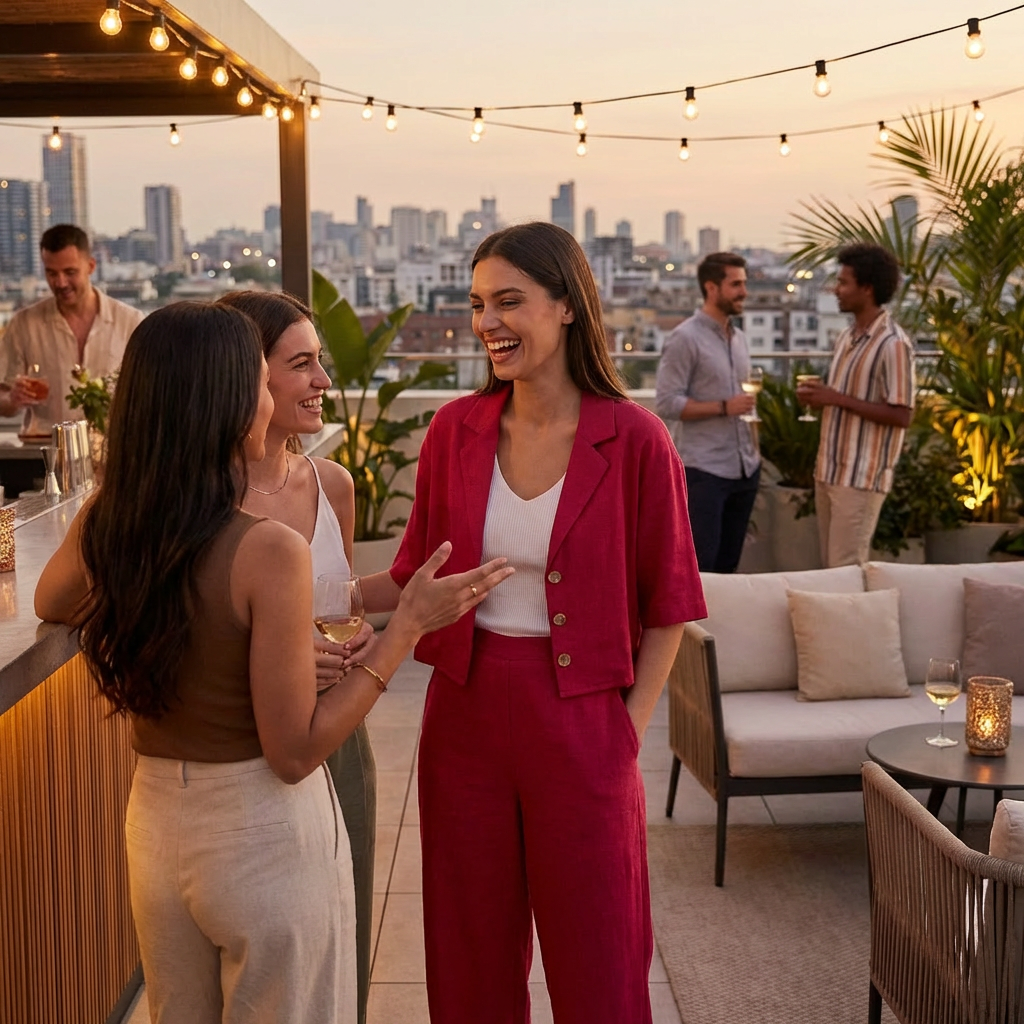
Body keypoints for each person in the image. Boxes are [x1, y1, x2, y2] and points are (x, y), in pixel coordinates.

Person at [33, 301, 512, 1024]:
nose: (281, 393)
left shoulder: (122, 520)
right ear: (228, 399)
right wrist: (404, 630)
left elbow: (52, 600)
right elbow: (292, 753)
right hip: (262, 827)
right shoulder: (266, 549)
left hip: (158, 826)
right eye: (264, 379)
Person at [367, 222, 705, 1023]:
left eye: (509, 301)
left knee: (602, 956)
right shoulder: (454, 431)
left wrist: (628, 731)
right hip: (464, 719)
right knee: (469, 950)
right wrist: (317, 596)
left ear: (566, 307)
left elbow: (671, 605)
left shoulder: (636, 440)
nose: (487, 321)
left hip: (586, 721)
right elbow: (414, 572)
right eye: (479, 303)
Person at [216, 288, 377, 1024]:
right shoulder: (198, 497)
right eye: (301, 364)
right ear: (245, 377)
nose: (322, 382)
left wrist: (404, 604)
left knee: (346, 933)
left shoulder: (331, 483)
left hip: (339, 735)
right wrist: (273, 656)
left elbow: (342, 599)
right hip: (241, 755)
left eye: (322, 363)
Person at [796, 243, 914, 567]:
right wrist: (823, 398)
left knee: (847, 569)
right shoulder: (846, 338)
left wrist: (835, 398)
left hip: (860, 478)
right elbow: (849, 398)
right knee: (830, 569)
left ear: (867, 288)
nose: (836, 290)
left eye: (844, 282)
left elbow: (902, 415)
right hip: (829, 471)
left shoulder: (893, 344)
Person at [654, 252, 761, 573]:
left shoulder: (739, 338)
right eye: (736, 284)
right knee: (701, 569)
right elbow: (667, 402)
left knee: (729, 568)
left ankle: (722, 625)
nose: (744, 291)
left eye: (744, 283)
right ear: (711, 288)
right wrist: (724, 407)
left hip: (744, 468)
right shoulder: (684, 338)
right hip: (704, 472)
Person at [0, 224, 144, 434]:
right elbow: (2, 400)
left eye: (70, 272)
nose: (60, 282)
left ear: (91, 266)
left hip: (114, 454)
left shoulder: (130, 321)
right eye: (51, 273)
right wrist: (13, 399)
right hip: (45, 454)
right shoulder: (24, 325)